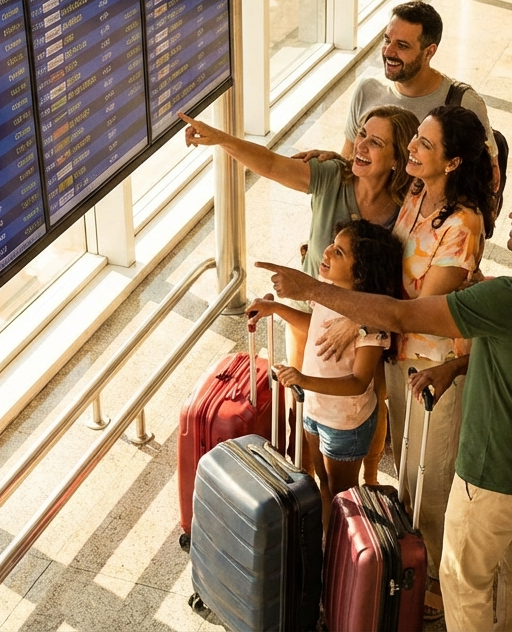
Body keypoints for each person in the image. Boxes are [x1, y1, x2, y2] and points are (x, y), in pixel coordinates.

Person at [256, 179, 512, 632]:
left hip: (497, 469)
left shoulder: (508, 299)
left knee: (463, 580)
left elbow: (400, 316)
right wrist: (454, 367)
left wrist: (313, 288)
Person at [182, 106, 418, 371]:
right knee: (298, 395)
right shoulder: (332, 174)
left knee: (356, 405)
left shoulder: (408, 208)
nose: (360, 146)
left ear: (398, 159)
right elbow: (271, 164)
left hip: (367, 327)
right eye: (362, 135)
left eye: (375, 143)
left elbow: (401, 282)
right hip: (307, 314)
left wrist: (359, 323)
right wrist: (221, 139)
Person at [385, 103, 494, 619]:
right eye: (417, 139)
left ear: (452, 163)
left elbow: (429, 309)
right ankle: (409, 565)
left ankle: (429, 586)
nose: (413, 148)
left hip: (432, 364)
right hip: (397, 352)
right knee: (407, 469)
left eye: (426, 144)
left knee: (433, 479)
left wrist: (363, 300)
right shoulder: (414, 193)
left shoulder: (464, 224)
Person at [246, 220, 403, 530]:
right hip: (316, 411)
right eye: (333, 244)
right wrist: (274, 308)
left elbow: (359, 382)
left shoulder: (371, 324)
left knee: (343, 497)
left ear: (360, 274)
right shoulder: (329, 293)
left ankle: (340, 554)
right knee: (324, 486)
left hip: (345, 423)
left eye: (340, 252)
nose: (328, 251)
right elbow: (315, 324)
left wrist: (304, 380)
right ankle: (326, 546)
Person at [338, 2, 498, 182]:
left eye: (402, 46)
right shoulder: (367, 89)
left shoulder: (462, 102)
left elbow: (489, 178)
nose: (388, 51)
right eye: (387, 40)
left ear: (429, 52)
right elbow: (349, 156)